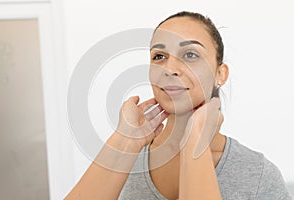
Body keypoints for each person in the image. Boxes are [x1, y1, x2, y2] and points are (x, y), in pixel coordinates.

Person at [65, 11, 292, 200]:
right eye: (159, 56)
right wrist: (124, 140)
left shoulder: (258, 175)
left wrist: (195, 143)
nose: (169, 68)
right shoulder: (124, 160)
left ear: (220, 74)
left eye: (190, 54)